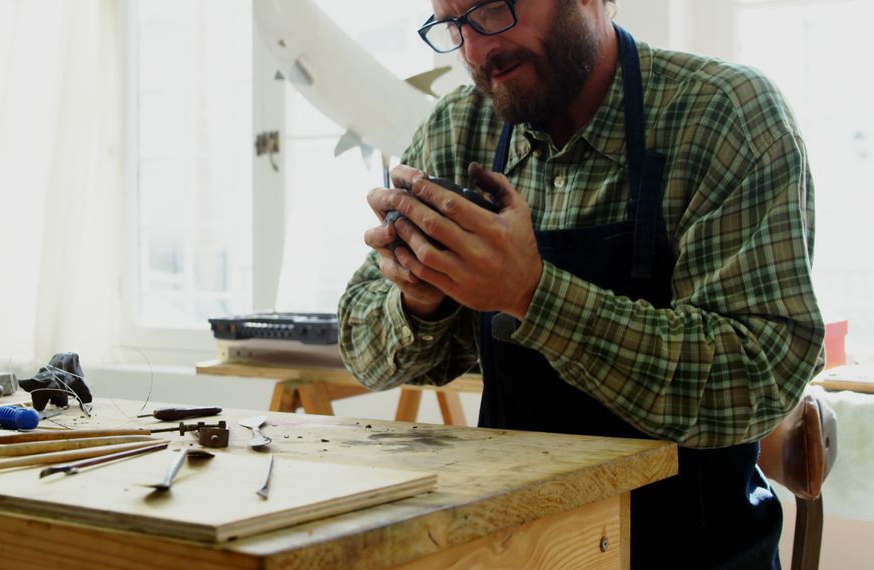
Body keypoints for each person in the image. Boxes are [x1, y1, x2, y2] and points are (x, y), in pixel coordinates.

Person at [337, 0, 824, 567]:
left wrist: (533, 295)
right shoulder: (459, 128)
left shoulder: (723, 114)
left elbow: (757, 379)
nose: (475, 50)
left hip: (696, 550)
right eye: (454, 24)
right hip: (516, 545)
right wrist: (419, 298)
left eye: (493, 8)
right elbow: (362, 348)